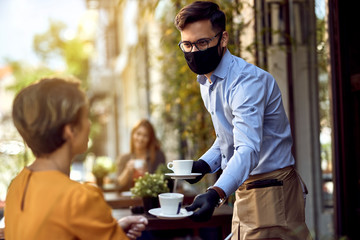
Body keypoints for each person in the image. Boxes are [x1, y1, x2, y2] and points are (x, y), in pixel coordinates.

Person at [174, 1, 312, 239]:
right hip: (245, 190)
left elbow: (247, 148)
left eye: (202, 43)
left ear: (223, 39)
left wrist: (216, 192)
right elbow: (229, 136)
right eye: (187, 44)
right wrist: (204, 165)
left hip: (272, 191)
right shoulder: (207, 82)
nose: (194, 52)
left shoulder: (246, 82)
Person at [5, 78, 148, 240]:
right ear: (71, 130)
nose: (89, 125)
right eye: (86, 117)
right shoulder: (79, 198)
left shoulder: (16, 187)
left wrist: (109, 229)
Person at [116, 119, 166, 192]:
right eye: (138, 134)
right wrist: (127, 170)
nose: (140, 139)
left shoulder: (158, 156)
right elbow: (118, 185)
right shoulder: (124, 158)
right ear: (133, 134)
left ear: (150, 139)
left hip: (151, 201)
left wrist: (147, 175)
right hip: (129, 201)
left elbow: (163, 183)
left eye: (145, 135)